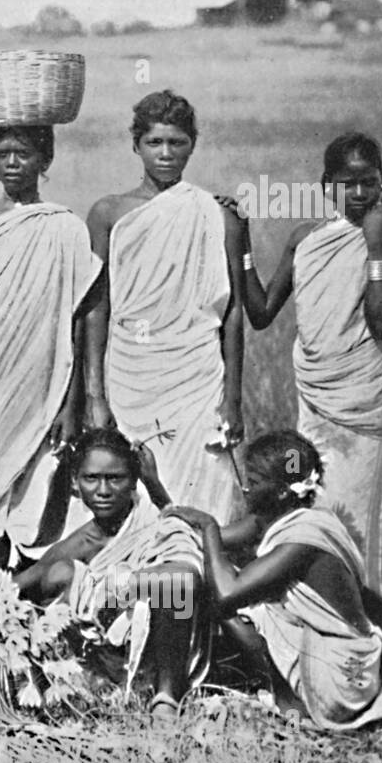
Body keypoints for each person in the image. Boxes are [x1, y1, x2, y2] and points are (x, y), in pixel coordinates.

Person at [233, 133, 382, 602]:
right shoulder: (305, 240)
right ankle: (318, 608)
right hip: (314, 401)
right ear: (326, 184)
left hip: (363, 404)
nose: (359, 193)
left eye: (369, 182)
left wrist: (375, 250)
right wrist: (244, 242)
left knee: (361, 519)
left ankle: (371, 621)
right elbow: (261, 312)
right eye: (347, 183)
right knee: (314, 506)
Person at [169, 431, 382, 730]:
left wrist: (207, 525)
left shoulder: (303, 538)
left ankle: (292, 703)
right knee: (225, 574)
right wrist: (159, 492)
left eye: (254, 482)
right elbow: (212, 540)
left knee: (231, 603)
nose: (244, 488)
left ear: (283, 492)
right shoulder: (276, 516)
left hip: (341, 679)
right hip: (333, 660)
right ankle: (276, 686)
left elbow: (226, 593)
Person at [82, 90, 247, 534]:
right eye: (155, 143)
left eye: (177, 142)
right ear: (135, 145)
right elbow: (97, 306)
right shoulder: (108, 214)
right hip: (131, 374)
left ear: (193, 144)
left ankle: (203, 589)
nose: (166, 154)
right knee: (126, 487)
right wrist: (95, 395)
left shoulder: (218, 217)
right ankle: (129, 595)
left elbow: (232, 312)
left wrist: (232, 397)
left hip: (197, 376)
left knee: (203, 485)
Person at [0, 125, 103, 566]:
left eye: (25, 153)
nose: (13, 163)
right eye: (3, 153)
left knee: (37, 486)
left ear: (44, 161)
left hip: (41, 378)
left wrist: (72, 406)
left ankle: (26, 599)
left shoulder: (66, 228)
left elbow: (75, 321)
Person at [13, 428, 211, 717]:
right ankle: (86, 688)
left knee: (172, 586)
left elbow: (186, 581)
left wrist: (115, 590)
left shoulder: (160, 524)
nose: (103, 491)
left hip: (163, 656)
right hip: (104, 660)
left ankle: (166, 701)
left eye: (115, 478)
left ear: (133, 481)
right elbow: (20, 585)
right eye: (91, 478)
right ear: (75, 482)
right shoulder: (81, 542)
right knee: (60, 573)